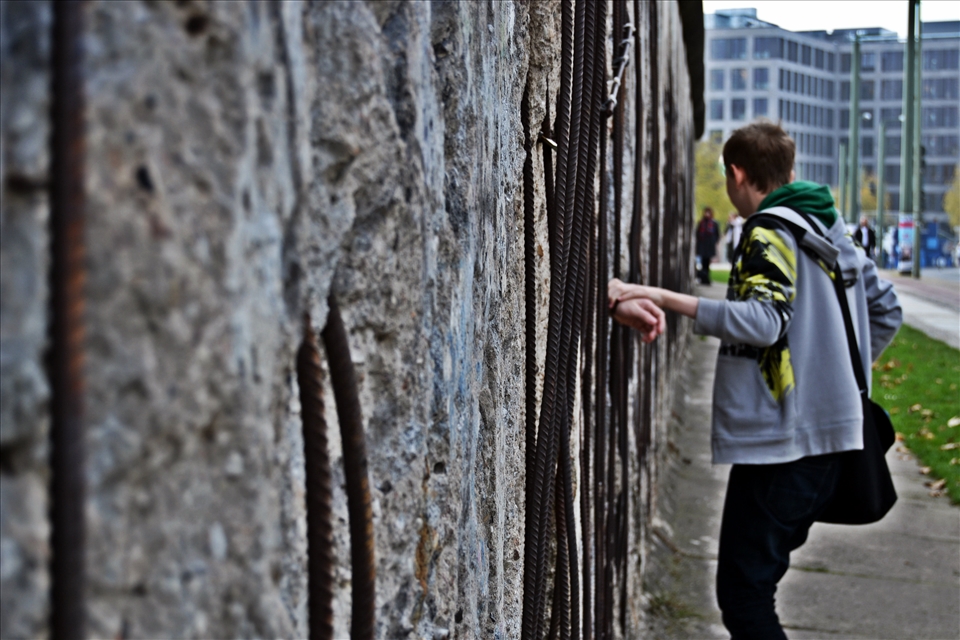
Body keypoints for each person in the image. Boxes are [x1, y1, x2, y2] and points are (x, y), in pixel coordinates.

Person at [608, 121, 902, 639]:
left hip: (781, 449)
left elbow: (765, 322)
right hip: (833, 443)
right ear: (788, 171)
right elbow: (886, 311)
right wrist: (828, 376)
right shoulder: (830, 227)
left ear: (736, 173)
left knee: (744, 597)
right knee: (754, 588)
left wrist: (661, 297)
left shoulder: (766, 229)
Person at [696, 206, 721, 284]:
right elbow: (697, 233)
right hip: (703, 246)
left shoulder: (713, 223)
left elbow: (717, 234)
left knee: (707, 263)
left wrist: (713, 242)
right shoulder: (701, 223)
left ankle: (706, 278)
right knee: (703, 262)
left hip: (709, 246)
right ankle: (703, 278)